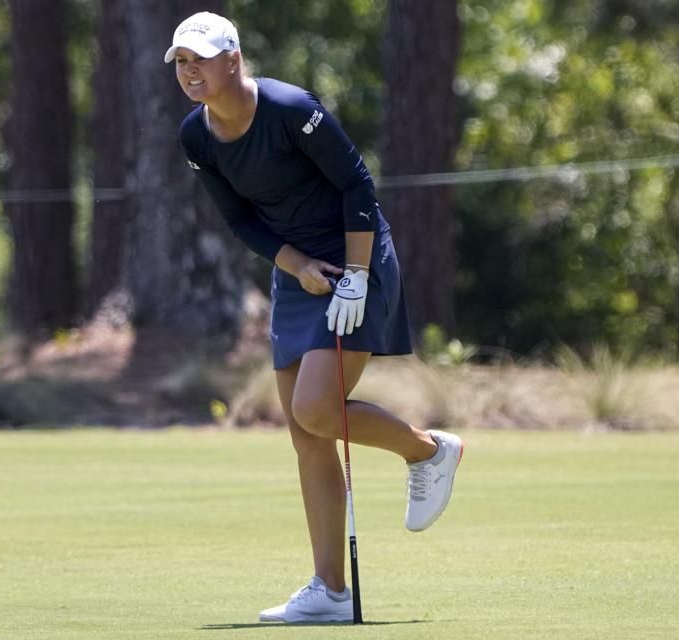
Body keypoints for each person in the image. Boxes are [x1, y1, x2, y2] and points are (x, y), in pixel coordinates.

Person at [165, 12, 464, 624]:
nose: (190, 70)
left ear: (233, 59)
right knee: (306, 434)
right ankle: (330, 590)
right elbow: (241, 219)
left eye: (200, 57)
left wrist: (355, 275)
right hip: (300, 273)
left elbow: (357, 185)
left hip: (357, 256)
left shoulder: (288, 107)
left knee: (317, 408)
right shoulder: (195, 136)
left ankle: (427, 451)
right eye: (180, 61)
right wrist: (296, 265)